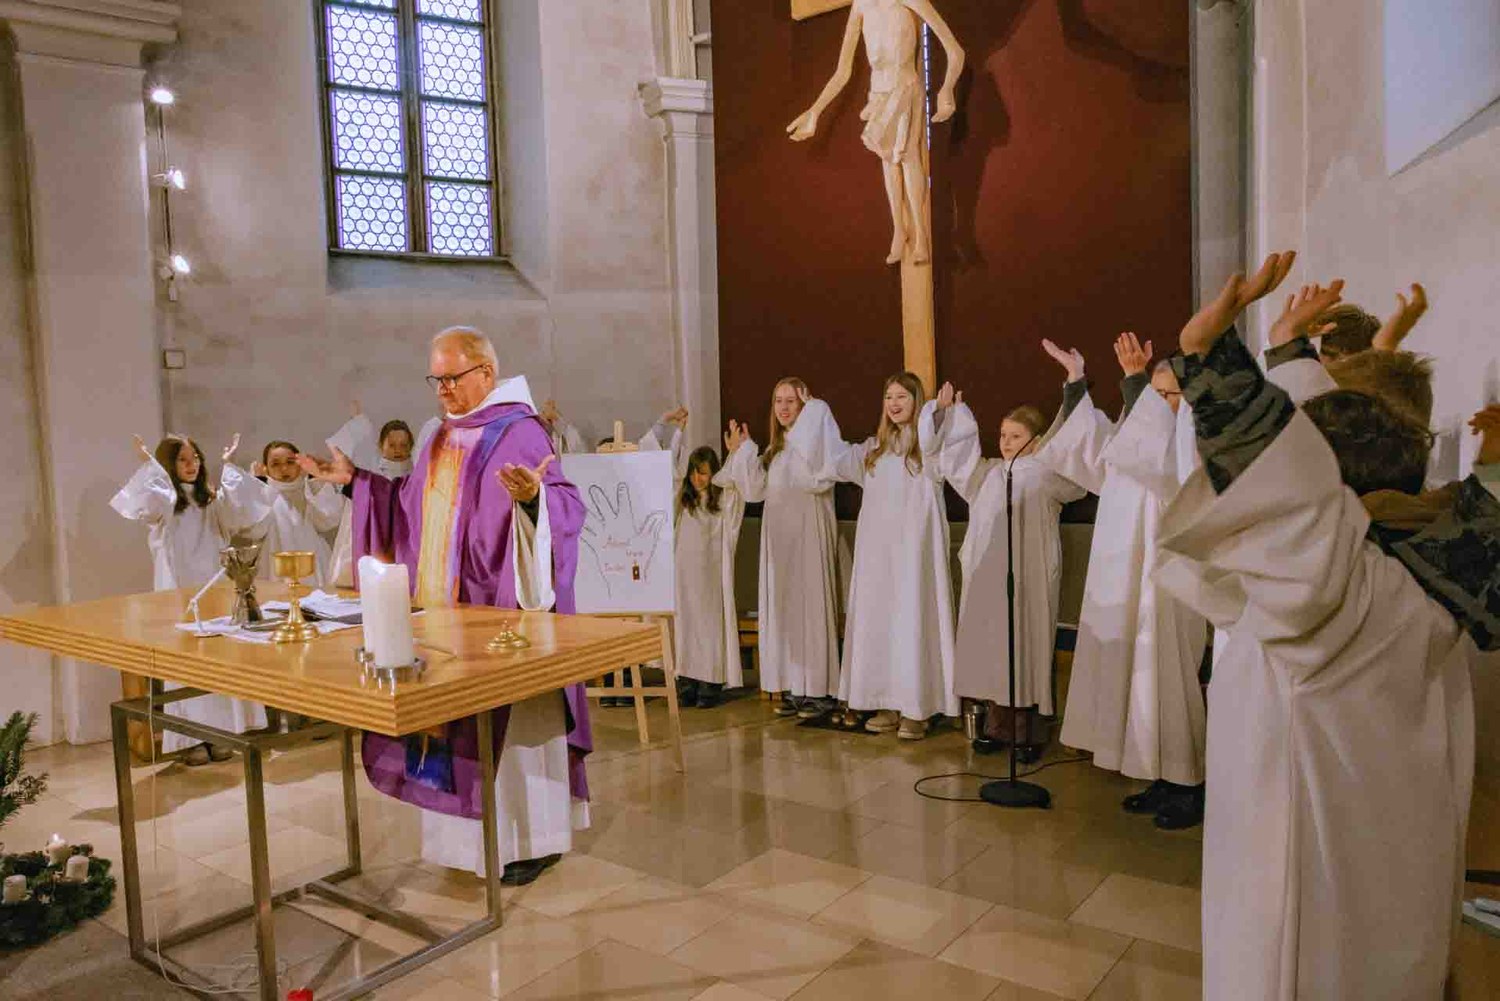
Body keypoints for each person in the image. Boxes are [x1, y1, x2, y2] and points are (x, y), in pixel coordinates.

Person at [1156, 260, 1496, 1000]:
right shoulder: (1434, 571)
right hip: (1398, 838)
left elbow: (1284, 472)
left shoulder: (1324, 581)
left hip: (1305, 856)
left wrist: (1207, 355)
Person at [298, 326, 589, 887]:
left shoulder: (519, 431)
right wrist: (356, 483)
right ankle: (463, 847)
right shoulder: (439, 436)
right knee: (453, 729)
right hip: (440, 619)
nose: (443, 391)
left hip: (501, 617)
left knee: (513, 732)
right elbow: (409, 509)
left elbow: (566, 506)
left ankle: (531, 841)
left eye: (452, 378)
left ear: (486, 372)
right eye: (435, 380)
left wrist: (534, 503)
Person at [1039, 331, 1214, 829]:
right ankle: (1159, 774)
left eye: (1167, 395)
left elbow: (1165, 465)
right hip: (1124, 574)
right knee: (1138, 678)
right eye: (1153, 393)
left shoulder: (1197, 438)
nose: (1156, 403)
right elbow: (1092, 456)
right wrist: (1077, 383)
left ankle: (1189, 782)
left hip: (1167, 577)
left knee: (1167, 674)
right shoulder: (1137, 428)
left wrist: (1137, 385)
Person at [930, 382, 1084, 760]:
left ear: (1035, 440)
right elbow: (957, 462)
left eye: (1015, 436)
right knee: (994, 648)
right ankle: (996, 727)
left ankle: (1029, 732)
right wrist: (953, 417)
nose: (1006, 442)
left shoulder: (1047, 474)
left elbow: (1076, 474)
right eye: (1002, 435)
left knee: (1025, 646)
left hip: (1029, 577)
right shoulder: (989, 474)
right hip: (990, 578)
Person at [111, 433, 269, 765]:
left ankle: (223, 732)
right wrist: (148, 465)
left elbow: (238, 513)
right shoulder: (167, 502)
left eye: (195, 458)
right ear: (170, 464)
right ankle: (192, 738)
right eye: (182, 459)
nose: (191, 465)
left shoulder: (210, 501)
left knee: (220, 659)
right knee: (186, 665)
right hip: (179, 591)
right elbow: (147, 503)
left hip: (215, 586)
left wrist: (229, 466)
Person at [818, 373, 956, 739]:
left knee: (912, 620)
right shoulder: (875, 448)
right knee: (882, 622)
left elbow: (939, 440)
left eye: (902, 397)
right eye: (889, 397)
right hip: (879, 553)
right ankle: (887, 703)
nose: (894, 404)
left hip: (913, 553)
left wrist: (939, 413)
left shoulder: (927, 447)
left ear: (917, 401)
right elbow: (832, 458)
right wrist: (811, 413)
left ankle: (917, 708)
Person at [787, 0, 964, 265]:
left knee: (908, 157)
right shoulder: (860, 6)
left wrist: (947, 88)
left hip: (905, 88)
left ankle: (920, 233)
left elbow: (955, 50)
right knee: (887, 160)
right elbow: (842, 71)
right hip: (878, 94)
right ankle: (899, 229)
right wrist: (815, 111)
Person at [721, 378, 844, 718]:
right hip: (779, 541)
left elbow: (817, 476)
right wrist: (744, 450)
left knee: (810, 608)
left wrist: (815, 413)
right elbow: (754, 491)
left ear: (805, 406)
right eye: (778, 401)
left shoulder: (814, 445)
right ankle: (793, 686)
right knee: (785, 611)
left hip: (808, 536)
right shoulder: (775, 451)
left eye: (792, 401)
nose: (784, 407)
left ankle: (819, 690)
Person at [670, 432, 746, 709]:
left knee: (708, 625)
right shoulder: (683, 501)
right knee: (686, 624)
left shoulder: (723, 501)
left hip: (710, 577)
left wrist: (734, 453)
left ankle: (709, 681)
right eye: (694, 472)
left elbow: (734, 484)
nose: (697, 478)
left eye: (703, 472)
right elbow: (672, 472)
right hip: (683, 576)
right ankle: (686, 679)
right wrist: (678, 433)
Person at [233, 441, 345, 588]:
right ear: (266, 468)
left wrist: (315, 478)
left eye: (290, 462)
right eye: (275, 464)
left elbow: (328, 521)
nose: (284, 469)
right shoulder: (261, 491)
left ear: (299, 463)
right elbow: (253, 530)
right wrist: (259, 483)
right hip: (272, 563)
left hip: (312, 562)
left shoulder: (310, 488)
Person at [326, 406, 417, 587]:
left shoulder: (417, 477)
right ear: (381, 446)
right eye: (392, 445)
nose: (398, 450)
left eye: (403, 445)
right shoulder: (371, 477)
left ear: (411, 447)